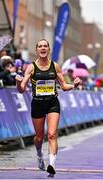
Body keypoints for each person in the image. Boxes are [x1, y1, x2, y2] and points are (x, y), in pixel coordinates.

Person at [15, 39, 81, 177]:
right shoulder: (31, 68)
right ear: (37, 50)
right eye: (40, 46)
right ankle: (39, 154)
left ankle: (52, 165)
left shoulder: (55, 66)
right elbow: (21, 90)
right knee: (39, 137)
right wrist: (18, 83)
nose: (43, 48)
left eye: (45, 46)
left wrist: (74, 85)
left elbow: (64, 86)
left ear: (49, 49)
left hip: (52, 103)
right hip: (37, 104)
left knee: (52, 134)